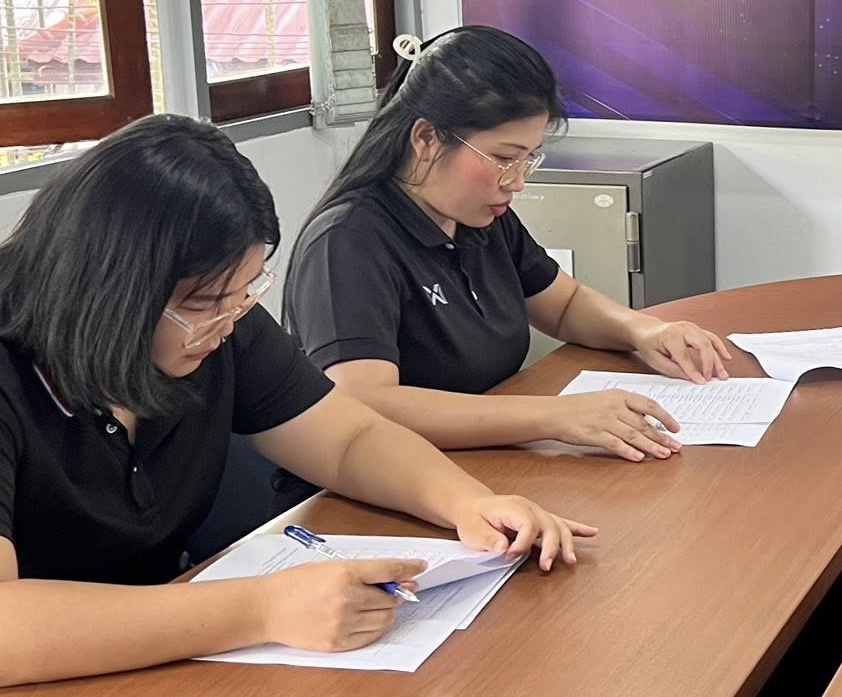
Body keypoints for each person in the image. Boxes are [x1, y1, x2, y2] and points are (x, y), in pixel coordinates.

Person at [0, 115, 591, 697]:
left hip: (152, 674)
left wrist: (467, 502)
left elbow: (346, 437)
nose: (229, 319)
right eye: (206, 302)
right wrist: (265, 609)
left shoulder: (213, 325)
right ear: (106, 291)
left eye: (248, 289)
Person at [284, 27, 732, 465]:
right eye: (502, 158)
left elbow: (563, 304)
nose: (516, 181)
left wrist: (644, 331)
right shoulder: (347, 242)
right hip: (369, 493)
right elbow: (364, 404)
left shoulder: (478, 216)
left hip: (479, 462)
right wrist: (553, 416)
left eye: (527, 159)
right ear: (425, 138)